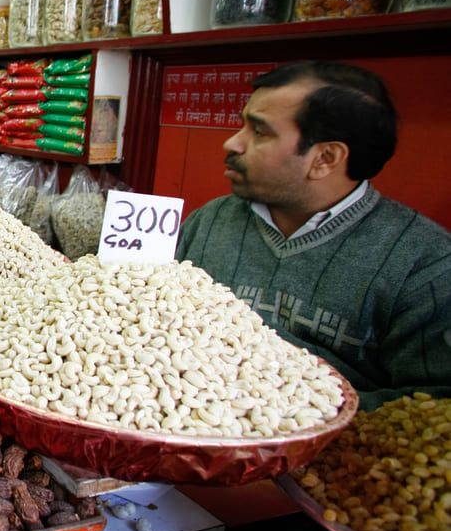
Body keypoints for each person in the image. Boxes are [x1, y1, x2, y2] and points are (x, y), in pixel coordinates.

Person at [176, 61, 451, 403]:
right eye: (242, 125)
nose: (232, 143)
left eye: (259, 132)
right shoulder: (208, 222)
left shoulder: (424, 265)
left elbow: (433, 405)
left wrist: (298, 414)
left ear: (325, 158)